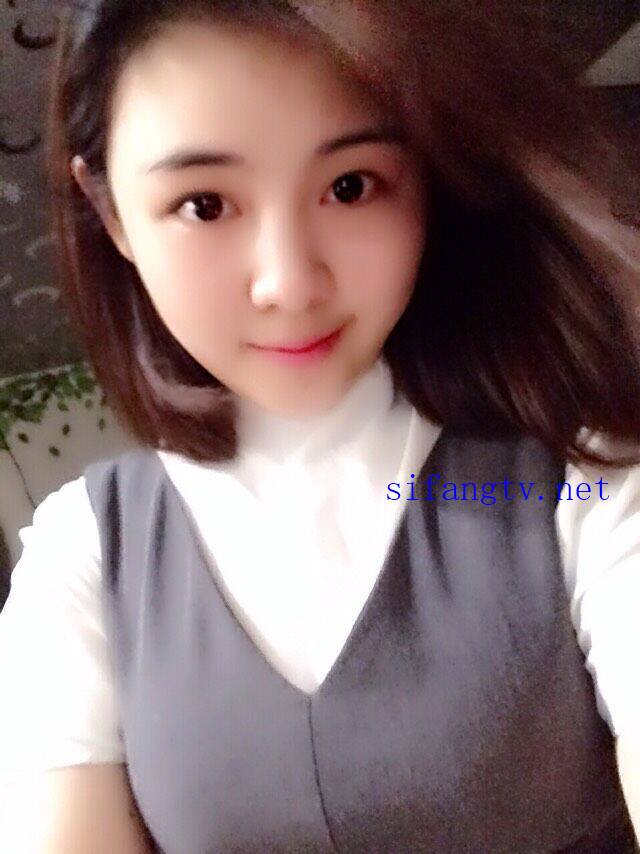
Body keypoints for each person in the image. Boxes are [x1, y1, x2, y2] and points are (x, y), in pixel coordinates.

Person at [1, 0, 640, 850]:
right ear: (110, 212)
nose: (290, 283)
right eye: (203, 204)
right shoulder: (81, 554)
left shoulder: (586, 475)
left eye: (351, 186)